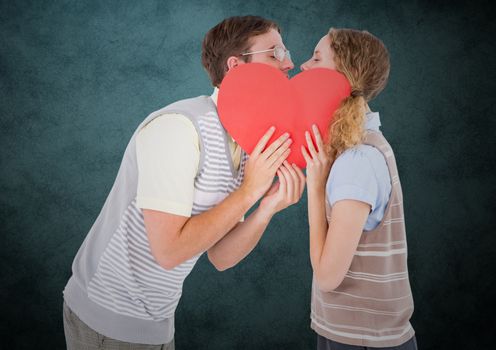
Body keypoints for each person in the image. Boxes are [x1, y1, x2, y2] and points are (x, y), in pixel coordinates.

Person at [62, 15, 306, 349]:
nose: (290, 63)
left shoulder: (249, 144)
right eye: (275, 53)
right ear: (236, 67)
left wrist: (266, 207)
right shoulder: (178, 128)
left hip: (159, 324)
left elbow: (220, 256)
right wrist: (250, 190)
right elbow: (169, 251)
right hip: (106, 319)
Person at [300, 28, 417, 349]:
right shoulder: (357, 149)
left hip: (362, 341)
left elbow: (327, 277)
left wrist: (315, 187)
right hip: (355, 334)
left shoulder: (357, 160)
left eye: (316, 58)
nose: (303, 66)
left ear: (341, 78)